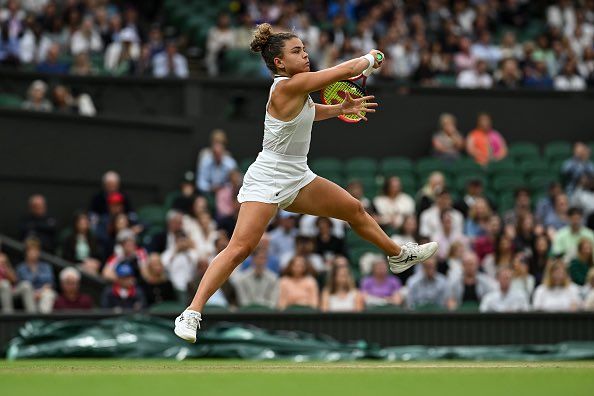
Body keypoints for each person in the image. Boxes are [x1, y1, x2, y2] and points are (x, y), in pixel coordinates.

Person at [174, 24, 438, 342]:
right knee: (240, 248)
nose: (305, 54)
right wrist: (372, 57)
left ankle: (398, 255)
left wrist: (339, 109)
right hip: (269, 177)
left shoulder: (298, 92)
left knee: (354, 209)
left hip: (298, 175)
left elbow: (308, 113)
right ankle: (191, 313)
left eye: (304, 49)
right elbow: (346, 70)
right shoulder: (286, 87)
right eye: (297, 51)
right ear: (280, 63)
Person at [15, 238, 56, 313]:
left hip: (42, 292)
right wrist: (33, 293)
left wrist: (40, 292)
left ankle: (43, 320)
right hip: (27, 293)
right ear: (26, 252)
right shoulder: (21, 268)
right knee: (26, 286)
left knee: (48, 294)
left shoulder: (46, 267)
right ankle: (33, 317)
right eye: (31, 250)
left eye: (36, 250)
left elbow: (50, 283)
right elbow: (20, 284)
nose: (34, 253)